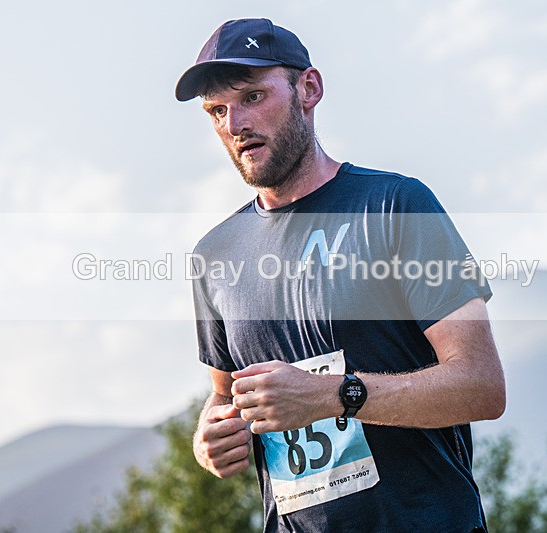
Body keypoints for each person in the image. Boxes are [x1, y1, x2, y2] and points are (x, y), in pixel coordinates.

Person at [175, 18, 505, 533]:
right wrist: (210, 438)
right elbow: (224, 395)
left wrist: (335, 396)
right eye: (217, 110)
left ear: (309, 88)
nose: (235, 123)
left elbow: (482, 386)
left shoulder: (395, 206)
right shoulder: (213, 256)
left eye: (253, 96)